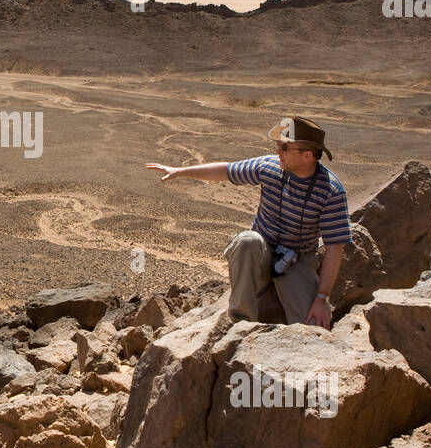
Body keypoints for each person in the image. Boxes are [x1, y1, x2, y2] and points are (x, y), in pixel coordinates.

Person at [145, 116, 352, 329]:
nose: (278, 151)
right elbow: (226, 171)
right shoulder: (270, 167)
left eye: (284, 147)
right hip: (260, 253)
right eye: (278, 146)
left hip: (297, 260)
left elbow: (335, 248)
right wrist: (180, 172)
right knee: (247, 241)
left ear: (307, 155)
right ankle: (241, 325)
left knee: (313, 327)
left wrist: (321, 298)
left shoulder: (330, 191)